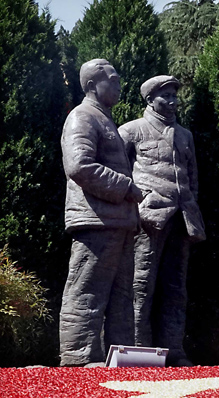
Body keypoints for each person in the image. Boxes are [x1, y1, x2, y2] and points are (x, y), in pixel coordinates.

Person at [60, 59, 144, 367]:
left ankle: (120, 361)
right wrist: (126, 187)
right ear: (93, 85)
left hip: (119, 222)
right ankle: (79, 360)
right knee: (87, 291)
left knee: (121, 299)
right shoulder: (82, 117)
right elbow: (79, 166)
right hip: (95, 221)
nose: (119, 84)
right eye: (113, 79)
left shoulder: (105, 119)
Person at [119, 75, 205, 367]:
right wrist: (139, 206)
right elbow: (120, 175)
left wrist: (189, 203)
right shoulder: (132, 131)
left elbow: (192, 177)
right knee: (141, 285)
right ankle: (138, 350)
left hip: (182, 218)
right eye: (165, 96)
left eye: (174, 96)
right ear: (149, 100)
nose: (172, 101)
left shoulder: (185, 135)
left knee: (176, 287)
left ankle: (174, 350)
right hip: (148, 219)